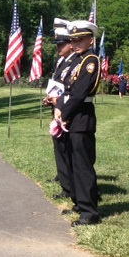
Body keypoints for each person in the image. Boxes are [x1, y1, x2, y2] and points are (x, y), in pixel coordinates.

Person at [54, 20, 102, 226]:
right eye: (73, 40)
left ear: (90, 40)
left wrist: (62, 113)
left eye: (80, 39)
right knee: (73, 164)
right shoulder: (76, 61)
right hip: (71, 115)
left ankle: (90, 212)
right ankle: (79, 204)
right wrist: (59, 110)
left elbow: (79, 93)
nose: (75, 43)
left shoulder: (90, 61)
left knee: (82, 165)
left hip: (81, 115)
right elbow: (65, 88)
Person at [43, 19, 74, 200]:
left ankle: (69, 186)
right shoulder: (61, 61)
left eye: (61, 43)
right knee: (59, 148)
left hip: (66, 109)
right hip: (57, 107)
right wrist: (50, 99)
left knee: (66, 149)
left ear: (70, 44)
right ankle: (65, 183)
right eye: (57, 44)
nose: (58, 47)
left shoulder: (73, 62)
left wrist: (59, 101)